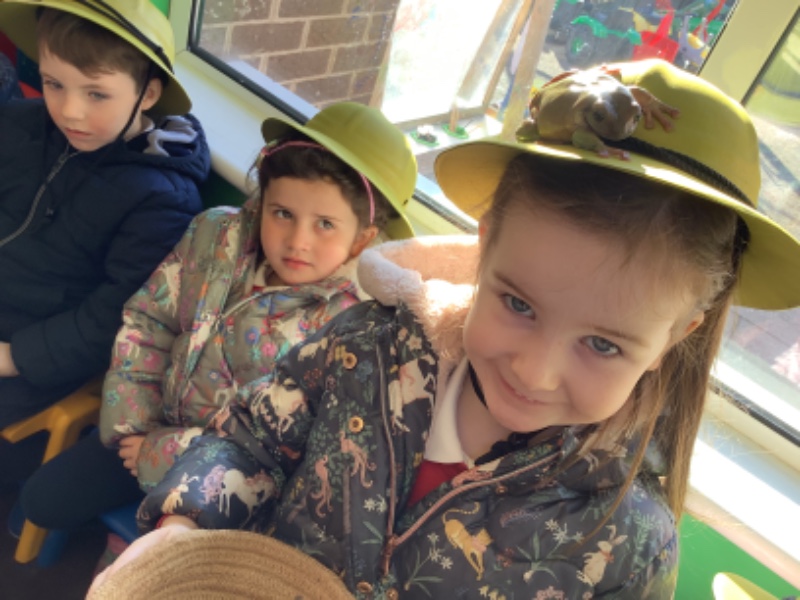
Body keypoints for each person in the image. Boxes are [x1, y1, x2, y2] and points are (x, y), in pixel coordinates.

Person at [91, 59, 800, 598]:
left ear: (677, 334)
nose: (534, 371)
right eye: (518, 304)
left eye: (603, 344)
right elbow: (252, 436)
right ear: (484, 250)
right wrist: (185, 522)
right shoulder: (365, 347)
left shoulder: (630, 546)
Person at [20, 101, 417, 559]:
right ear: (263, 201)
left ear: (363, 237)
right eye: (282, 213)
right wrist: (134, 425)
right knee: (42, 500)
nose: (297, 241)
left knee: (163, 566)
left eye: (325, 224)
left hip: (232, 482)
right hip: (150, 424)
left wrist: (163, 453)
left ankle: (131, 546)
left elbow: (292, 451)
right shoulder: (216, 234)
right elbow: (149, 320)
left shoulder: (356, 325)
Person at [0, 0, 209, 458]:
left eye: (96, 94)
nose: (70, 111)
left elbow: (115, 319)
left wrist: (14, 357)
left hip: (37, 355)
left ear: (147, 95)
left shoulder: (161, 198)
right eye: (54, 84)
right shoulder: (22, 125)